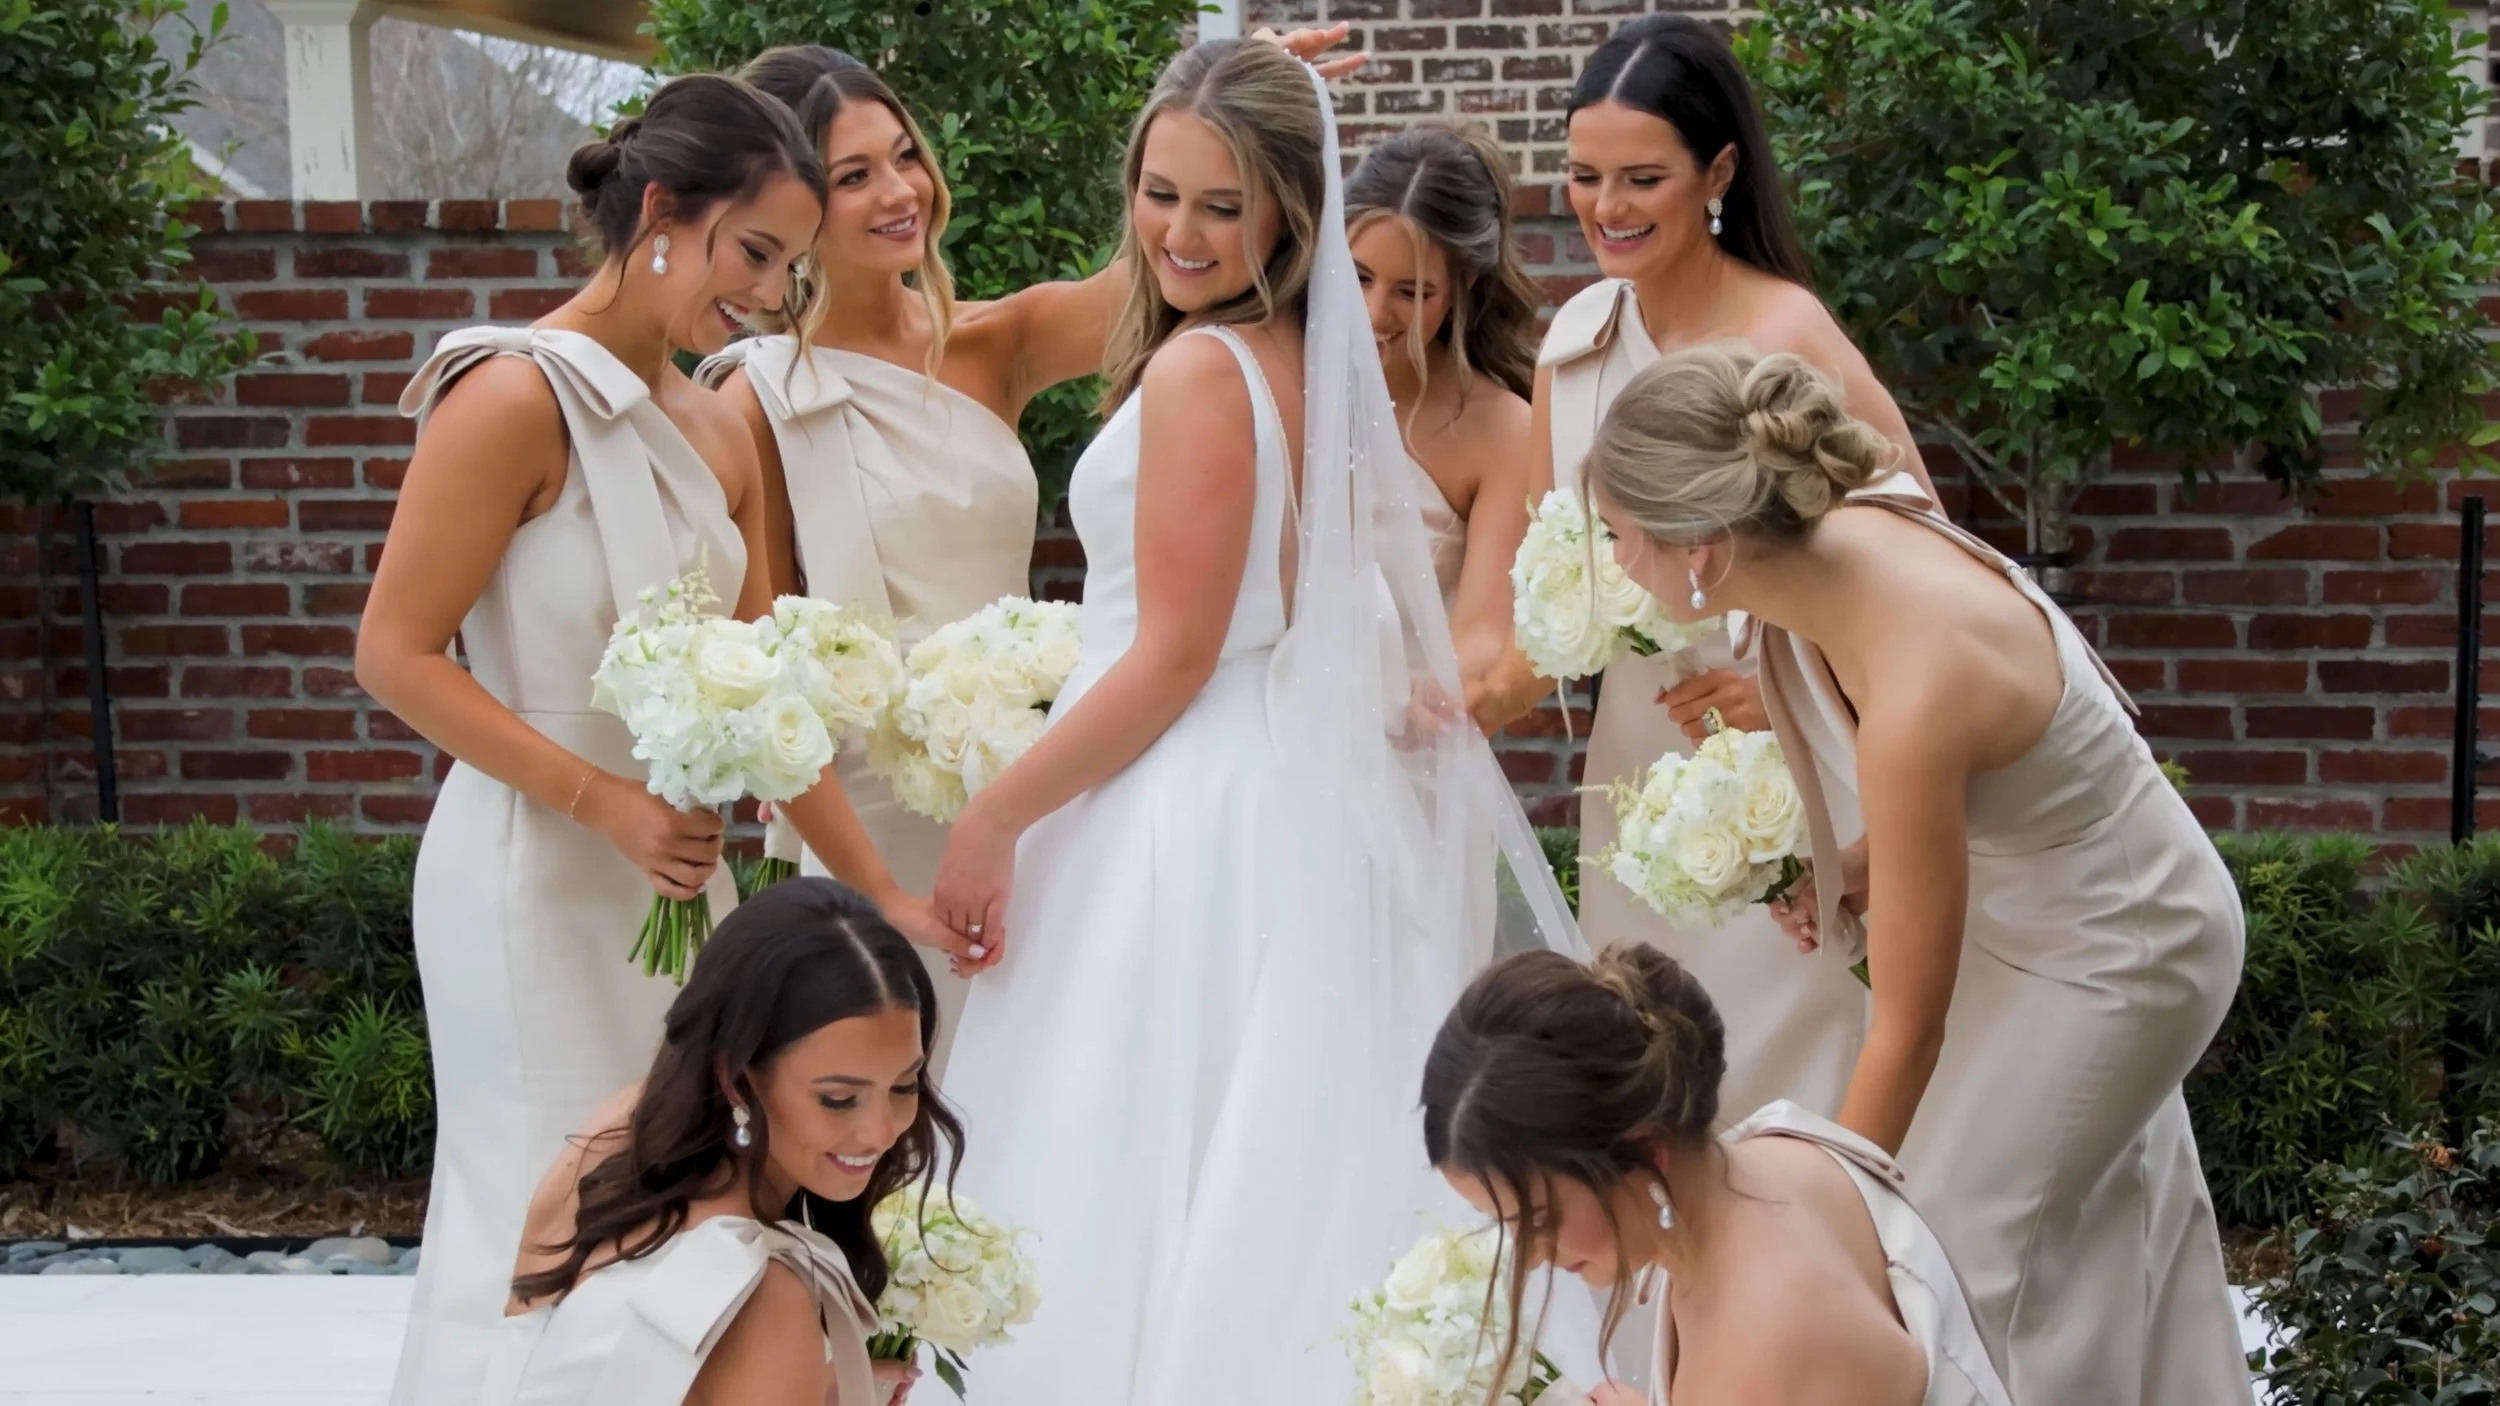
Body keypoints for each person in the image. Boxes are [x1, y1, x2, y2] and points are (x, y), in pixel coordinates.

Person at [924, 40, 1584, 1402]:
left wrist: (994, 815)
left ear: (1291, 208)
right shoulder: (1308, 362)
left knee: (1133, 1153)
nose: (1177, 231)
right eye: (1160, 193)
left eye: (1221, 206)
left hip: (1178, 791)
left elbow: (1170, 657)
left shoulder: (1202, 373)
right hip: (1271, 783)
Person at [1586, 344, 2248, 1403]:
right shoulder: (1826, 536)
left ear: (1700, 546)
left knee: (1950, 1244)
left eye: (1619, 533)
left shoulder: (1913, 682)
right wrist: (1850, 867)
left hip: (2124, 946)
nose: (1615, 560)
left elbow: (1907, 1026)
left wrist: (1823, 1219)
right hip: (2030, 898)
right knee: (2089, 1224)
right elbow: (1978, 805)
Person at [702, 32, 1363, 1069]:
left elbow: (1177, 255)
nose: (898, 192)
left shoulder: (989, 342)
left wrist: (1238, 87)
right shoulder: (753, 400)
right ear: (788, 203)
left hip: (1039, 782)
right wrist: (873, 886)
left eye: (904, 155)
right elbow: (763, 672)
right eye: (853, 175)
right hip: (874, 813)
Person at [355, 75, 826, 1405]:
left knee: (684, 1189)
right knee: (541, 1192)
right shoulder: (510, 396)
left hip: (683, 873)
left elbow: (760, 659)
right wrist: (601, 799)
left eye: (790, 266)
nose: (771, 293)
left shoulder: (720, 418)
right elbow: (391, 653)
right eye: (755, 253)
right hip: (533, 866)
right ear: (664, 213)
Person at [1537, 11, 1939, 1133]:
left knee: (1782, 1072)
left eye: (1640, 178)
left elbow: (1927, 566)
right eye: (1581, 176)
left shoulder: (1785, 333)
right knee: (1649, 1071)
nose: (1605, 207)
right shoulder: (1570, 340)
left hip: (1791, 754)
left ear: (1716, 170)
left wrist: (1785, 690)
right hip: (1634, 767)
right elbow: (1545, 555)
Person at [1424, 945, 2014, 1406]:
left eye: (1543, 1219)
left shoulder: (1768, 1340)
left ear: (1647, 1150)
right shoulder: (1775, 1151)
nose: (1529, 1256)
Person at [484, 878, 960, 1405]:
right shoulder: (765, 1292)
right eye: (838, 1098)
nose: (880, 1132)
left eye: (903, 1084)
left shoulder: (614, 1141)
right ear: (736, 1076)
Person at [1345, 122, 1547, 735]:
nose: (1376, 313)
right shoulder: (1282, 379)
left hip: (1403, 739)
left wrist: (1431, 704)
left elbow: (1482, 634)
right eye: (1358, 277)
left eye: (1412, 292)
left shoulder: (1501, 428)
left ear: (1462, 291)